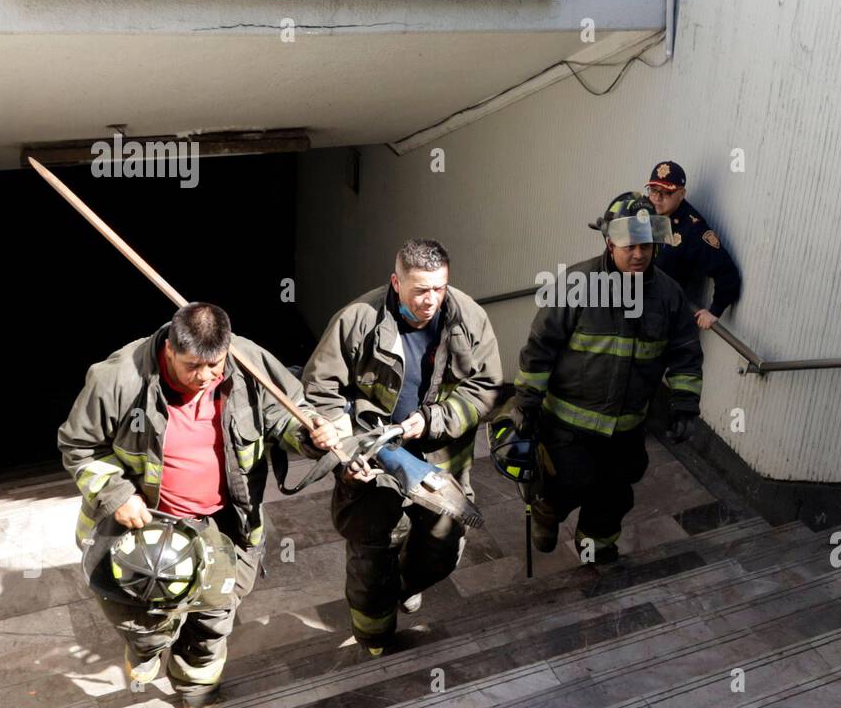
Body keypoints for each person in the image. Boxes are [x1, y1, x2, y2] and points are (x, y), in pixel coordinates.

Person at [59, 302, 341, 708]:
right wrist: (116, 494)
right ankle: (147, 649)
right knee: (145, 618)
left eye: (215, 365)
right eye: (193, 366)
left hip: (222, 525)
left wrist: (309, 434)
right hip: (146, 526)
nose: (206, 377)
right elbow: (78, 445)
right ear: (169, 350)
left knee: (213, 620)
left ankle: (196, 690)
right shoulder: (117, 379)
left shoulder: (249, 362)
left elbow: (285, 413)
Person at [303, 239, 502, 655]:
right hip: (377, 463)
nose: (430, 301)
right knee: (372, 552)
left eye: (439, 288)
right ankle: (373, 635)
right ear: (396, 282)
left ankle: (404, 584)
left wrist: (431, 420)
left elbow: (484, 389)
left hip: (440, 462)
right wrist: (345, 452)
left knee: (444, 545)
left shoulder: (469, 319)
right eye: (419, 290)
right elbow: (320, 391)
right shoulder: (358, 320)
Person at [498, 192, 703, 564]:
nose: (638, 254)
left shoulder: (669, 296)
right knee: (568, 482)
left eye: (645, 245)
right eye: (628, 246)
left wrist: (685, 405)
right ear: (610, 243)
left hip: (626, 429)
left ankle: (597, 547)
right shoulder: (576, 284)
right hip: (567, 424)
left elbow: (686, 353)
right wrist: (525, 403)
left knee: (615, 494)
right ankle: (547, 510)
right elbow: (541, 348)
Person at [645, 160, 742, 330]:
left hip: (663, 315)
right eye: (653, 190)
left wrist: (714, 311)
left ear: (681, 194)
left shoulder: (693, 229)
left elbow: (728, 273)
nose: (657, 198)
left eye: (666, 192)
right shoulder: (646, 209)